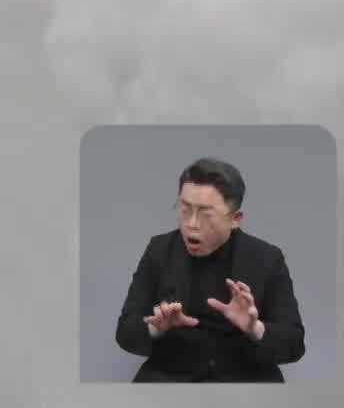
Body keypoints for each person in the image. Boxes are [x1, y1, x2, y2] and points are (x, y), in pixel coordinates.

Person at [113, 156, 306, 382]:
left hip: (245, 385)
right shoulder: (159, 251)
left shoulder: (267, 258)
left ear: (235, 219)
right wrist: (157, 328)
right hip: (170, 380)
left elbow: (294, 344)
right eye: (184, 210)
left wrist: (256, 329)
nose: (192, 224)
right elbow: (125, 333)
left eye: (205, 214)